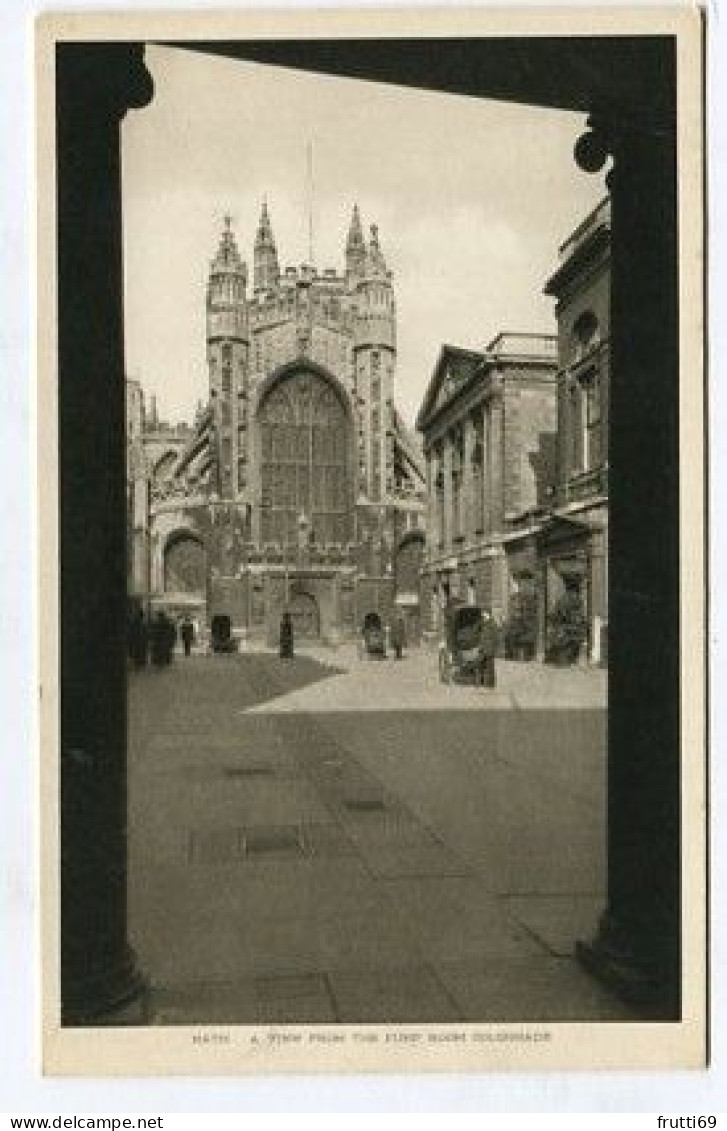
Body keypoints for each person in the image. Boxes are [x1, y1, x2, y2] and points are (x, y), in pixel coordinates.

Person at [479, 608, 498, 688]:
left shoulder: (492, 623)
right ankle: (484, 682)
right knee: (484, 665)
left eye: (483, 613)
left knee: (490, 666)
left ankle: (491, 684)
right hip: (484, 648)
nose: (482, 614)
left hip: (489, 648)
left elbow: (495, 637)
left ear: (487, 614)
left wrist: (493, 648)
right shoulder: (484, 623)